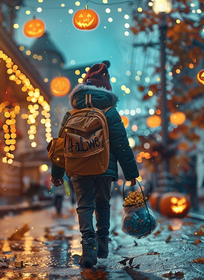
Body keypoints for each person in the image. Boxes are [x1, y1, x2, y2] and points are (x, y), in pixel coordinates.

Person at [50, 61, 139, 268]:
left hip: (78, 168)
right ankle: (102, 243)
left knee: (85, 206)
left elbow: (60, 146)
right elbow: (121, 145)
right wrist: (130, 172)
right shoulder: (110, 112)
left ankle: (87, 246)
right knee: (102, 205)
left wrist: (57, 172)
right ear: (106, 89)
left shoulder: (70, 114)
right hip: (104, 168)